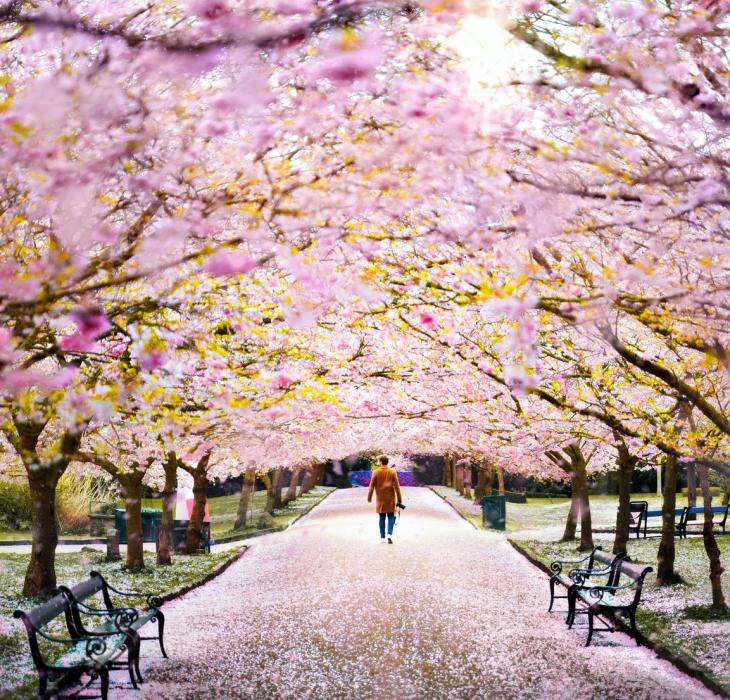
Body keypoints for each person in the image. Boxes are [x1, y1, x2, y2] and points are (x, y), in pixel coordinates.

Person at [367, 455, 403, 543]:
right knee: (391, 516)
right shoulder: (392, 472)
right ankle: (389, 534)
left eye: (378, 461)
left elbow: (371, 486)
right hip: (390, 498)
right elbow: (397, 487)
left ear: (380, 462)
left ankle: (382, 537)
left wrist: (369, 497)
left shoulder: (376, 472)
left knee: (381, 516)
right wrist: (399, 499)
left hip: (380, 498)